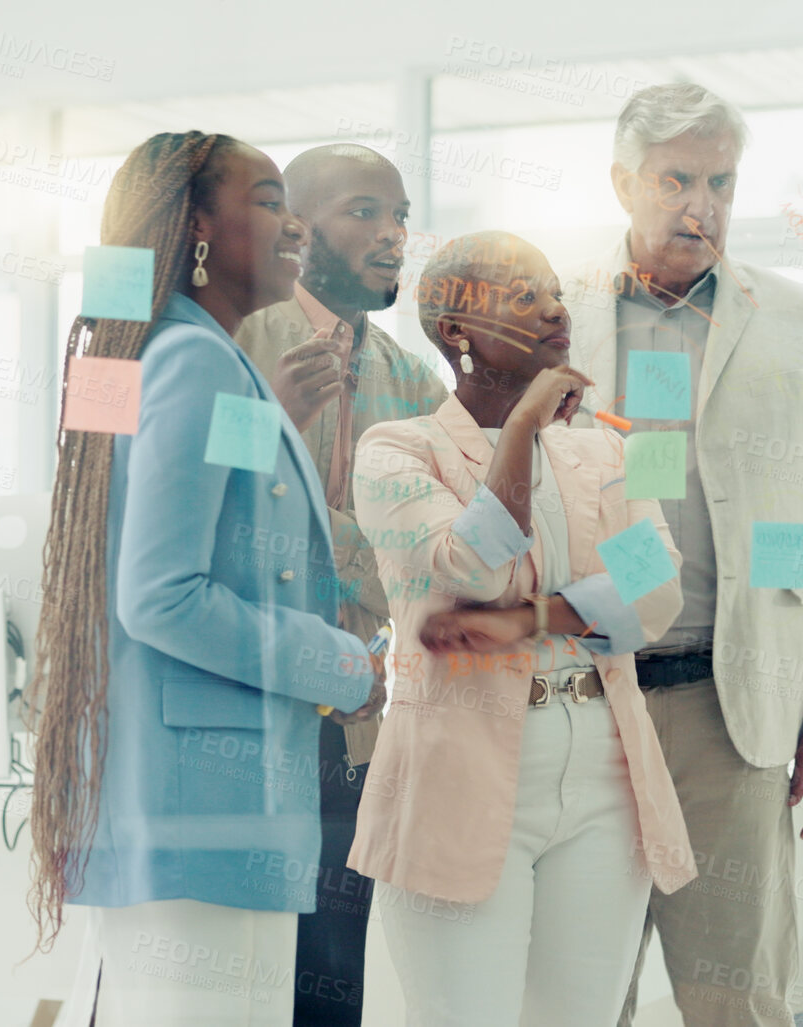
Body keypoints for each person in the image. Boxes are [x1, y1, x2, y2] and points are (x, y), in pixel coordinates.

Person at [26, 131, 379, 1027]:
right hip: (205, 808)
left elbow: (208, 513)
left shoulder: (184, 356)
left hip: (187, 803)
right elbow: (160, 594)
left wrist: (278, 418)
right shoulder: (192, 361)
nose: (290, 219)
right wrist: (344, 665)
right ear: (196, 231)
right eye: (266, 200)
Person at [559, 83, 803, 1026]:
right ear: (624, 184)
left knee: (736, 1002)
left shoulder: (800, 320)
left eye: (722, 182)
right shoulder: (553, 314)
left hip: (731, 711)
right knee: (576, 998)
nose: (702, 204)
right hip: (584, 705)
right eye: (677, 179)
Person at [348, 231, 697, 1026]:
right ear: (454, 333)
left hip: (605, 771)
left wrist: (527, 618)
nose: (553, 311)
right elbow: (467, 567)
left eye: (554, 294)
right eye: (521, 296)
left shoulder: (608, 448)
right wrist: (519, 433)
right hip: (456, 773)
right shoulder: (394, 449)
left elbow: (657, 594)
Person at [232, 143, 448, 1027]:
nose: (393, 235)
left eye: (399, 216)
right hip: (245, 714)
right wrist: (271, 440)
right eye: (365, 211)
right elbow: (205, 514)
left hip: (358, 735)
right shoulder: (237, 338)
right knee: (226, 979)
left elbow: (431, 567)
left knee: (333, 984)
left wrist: (329, 528)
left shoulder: (414, 380)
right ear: (297, 226)